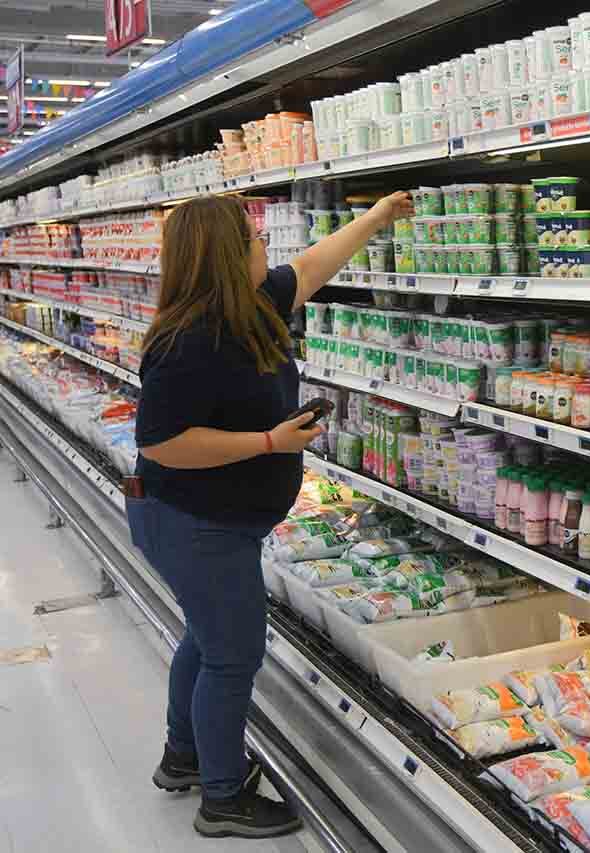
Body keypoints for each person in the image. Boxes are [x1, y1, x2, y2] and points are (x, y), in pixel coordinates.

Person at [128, 190, 412, 838]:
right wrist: (267, 443)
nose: (266, 244)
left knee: (206, 638)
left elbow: (312, 267)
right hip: (188, 519)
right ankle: (222, 796)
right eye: (253, 237)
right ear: (227, 256)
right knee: (233, 654)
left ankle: (184, 756)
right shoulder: (185, 340)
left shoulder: (251, 306)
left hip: (213, 520)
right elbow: (159, 441)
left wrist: (374, 219)